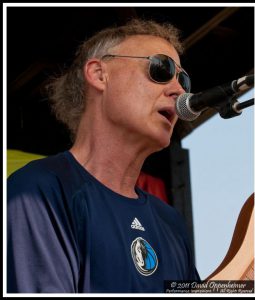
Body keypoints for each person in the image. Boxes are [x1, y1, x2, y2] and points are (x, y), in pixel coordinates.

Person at [7, 18, 200, 293]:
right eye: (161, 68)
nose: (179, 90)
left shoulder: (169, 222)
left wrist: (242, 280)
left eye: (184, 79)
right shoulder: (37, 192)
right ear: (99, 74)